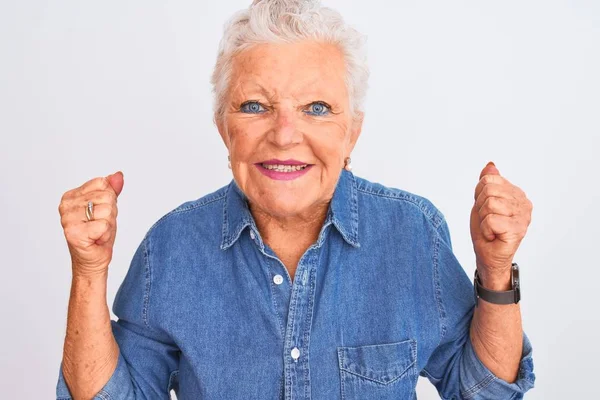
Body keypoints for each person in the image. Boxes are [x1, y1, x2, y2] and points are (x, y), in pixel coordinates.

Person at [55, 0, 535, 398]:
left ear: (352, 134)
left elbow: (482, 392)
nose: (285, 136)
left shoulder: (411, 232)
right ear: (224, 128)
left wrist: (496, 270)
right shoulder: (172, 246)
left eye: (317, 108)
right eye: (255, 106)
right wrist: (89, 271)